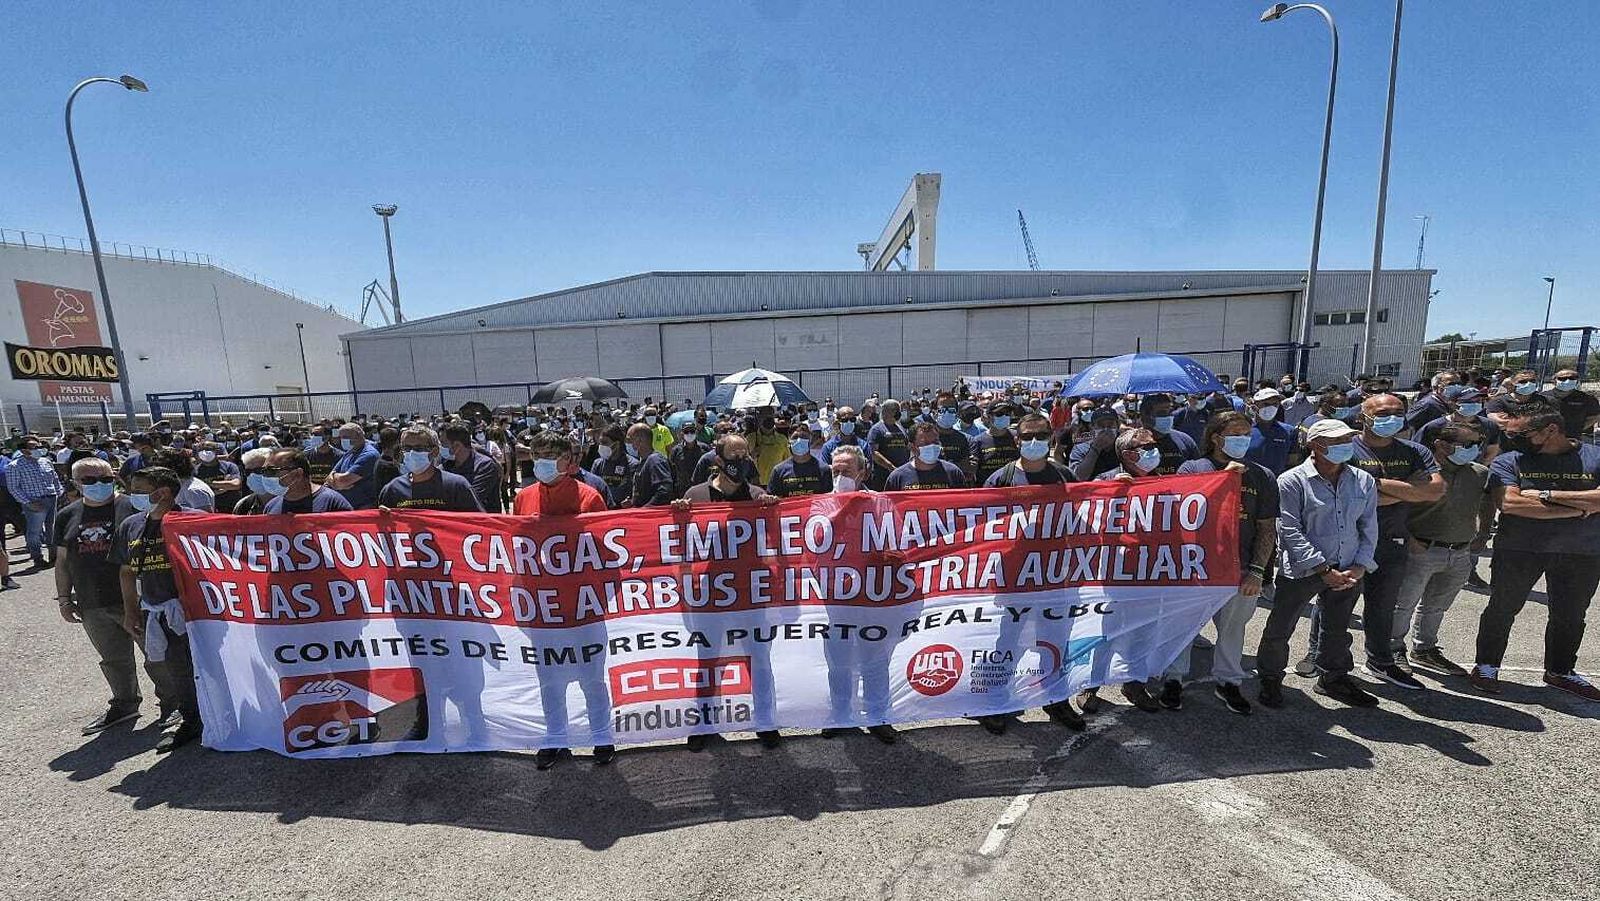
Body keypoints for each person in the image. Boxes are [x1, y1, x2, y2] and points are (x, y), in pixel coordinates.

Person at [1470, 410, 1600, 700]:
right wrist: (1582, 508)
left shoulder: (1595, 457)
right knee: (1502, 608)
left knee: (1570, 614)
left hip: (1582, 552)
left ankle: (1561, 671)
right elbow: (1512, 504)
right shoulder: (1509, 460)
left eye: (1520, 435)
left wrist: (1546, 495)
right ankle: (1487, 665)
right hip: (1519, 549)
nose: (1512, 440)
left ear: (1551, 430)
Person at [1320, 393, 1444, 690]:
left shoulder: (1415, 451)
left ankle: (1380, 661)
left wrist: (1371, 485)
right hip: (1347, 541)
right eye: (1383, 412)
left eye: (1398, 412)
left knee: (1383, 605)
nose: (1392, 418)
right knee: (1336, 605)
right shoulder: (1346, 450)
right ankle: (1325, 662)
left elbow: (1435, 491)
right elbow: (1343, 493)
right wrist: (1407, 490)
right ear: (1363, 417)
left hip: (1392, 539)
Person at [1256, 418, 1380, 709]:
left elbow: (1369, 525)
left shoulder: (1363, 480)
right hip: (1304, 571)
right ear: (1315, 444)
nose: (1344, 446)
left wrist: (1361, 565)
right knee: (1280, 627)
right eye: (1336, 442)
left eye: (1346, 440)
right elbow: (1288, 530)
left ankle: (1333, 678)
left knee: (1336, 628)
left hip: (1349, 569)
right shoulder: (1291, 481)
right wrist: (1323, 569)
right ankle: (1270, 678)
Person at [674, 434, 781, 749]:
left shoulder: (758, 495)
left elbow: (776, 543)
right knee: (708, 660)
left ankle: (765, 722)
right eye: (734, 456)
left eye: (745, 455)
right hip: (711, 595)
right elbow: (680, 545)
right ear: (718, 460)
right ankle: (704, 724)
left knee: (758, 659)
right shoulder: (695, 495)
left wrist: (772, 511)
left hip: (751, 595)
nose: (741, 461)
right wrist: (677, 513)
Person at [1169, 411, 1279, 714]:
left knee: (1233, 630)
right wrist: (1223, 480)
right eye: (1235, 434)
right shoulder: (1193, 468)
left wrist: (1257, 570)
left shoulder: (1261, 476)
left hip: (1241, 570)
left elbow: (1266, 527)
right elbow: (1179, 514)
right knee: (1184, 627)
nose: (1243, 440)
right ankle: (1173, 678)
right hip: (1196, 569)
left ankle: (1229, 681)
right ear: (1216, 438)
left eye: (1247, 434)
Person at [54, 457, 163, 734]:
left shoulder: (131, 507)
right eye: (90, 481)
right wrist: (65, 599)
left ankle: (174, 705)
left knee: (157, 654)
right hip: (92, 601)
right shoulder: (67, 515)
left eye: (105, 479)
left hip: (138, 597)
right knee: (113, 659)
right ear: (76, 483)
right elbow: (62, 561)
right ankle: (125, 704)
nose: (99, 485)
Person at [110, 466, 201, 752]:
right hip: (157, 611)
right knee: (178, 669)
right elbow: (126, 571)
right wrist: (131, 611)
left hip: (198, 614)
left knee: (207, 667)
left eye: (137, 490)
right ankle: (191, 720)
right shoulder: (131, 525)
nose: (130, 495)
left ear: (161, 493)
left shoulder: (195, 522)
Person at [1389, 422, 1490, 677]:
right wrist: (1409, 538)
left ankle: (1424, 649)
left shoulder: (1478, 473)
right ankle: (1392, 648)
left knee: (1436, 606)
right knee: (1403, 605)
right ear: (1441, 445)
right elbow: (1396, 509)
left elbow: (1487, 504)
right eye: (1467, 444)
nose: (1475, 449)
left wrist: (1483, 533)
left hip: (1460, 552)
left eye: (1478, 443)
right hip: (1422, 549)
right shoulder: (1421, 474)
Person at [378, 425, 484, 511]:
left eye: (419, 448)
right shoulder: (393, 490)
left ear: (434, 452)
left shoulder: (457, 486)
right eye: (407, 448)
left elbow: (478, 522)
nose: (412, 453)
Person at [9, 435, 63, 569]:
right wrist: (27, 502)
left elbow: (55, 478)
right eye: (34, 447)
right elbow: (13, 487)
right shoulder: (15, 466)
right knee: (35, 532)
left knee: (52, 529)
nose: (38, 449)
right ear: (23, 450)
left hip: (51, 498)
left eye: (39, 446)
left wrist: (59, 492)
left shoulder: (45, 461)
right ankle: (37, 558)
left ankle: (54, 557)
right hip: (34, 502)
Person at [984, 413, 1074, 486]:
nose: (1034, 441)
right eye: (1027, 437)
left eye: (1041, 436)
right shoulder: (999, 480)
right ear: (1017, 441)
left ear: (1050, 439)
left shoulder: (1065, 475)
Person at [260, 448, 355, 514]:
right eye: (263, 471)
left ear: (297, 474)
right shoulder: (271, 507)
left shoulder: (333, 503)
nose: (265, 476)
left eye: (271, 471)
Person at [440, 422, 503, 513]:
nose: (440, 447)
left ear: (457, 445)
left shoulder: (484, 466)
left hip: (483, 524)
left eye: (443, 443)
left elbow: (469, 500)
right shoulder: (446, 466)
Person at [885, 422, 967, 491]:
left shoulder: (954, 473)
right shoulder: (897, 477)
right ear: (912, 447)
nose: (932, 446)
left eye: (935, 442)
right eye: (925, 443)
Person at [325, 422, 381, 510]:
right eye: (341, 437)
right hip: (347, 507)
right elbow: (329, 477)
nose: (342, 440)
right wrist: (337, 483)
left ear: (359, 435)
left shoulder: (369, 455)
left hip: (363, 508)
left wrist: (338, 482)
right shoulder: (350, 452)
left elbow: (343, 480)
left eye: (346, 437)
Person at [766, 423, 833, 497]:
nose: (799, 440)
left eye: (803, 437)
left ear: (809, 440)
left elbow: (829, 498)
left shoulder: (824, 469)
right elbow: (772, 500)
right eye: (795, 437)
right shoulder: (778, 471)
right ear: (789, 441)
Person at [1139, 394, 1199, 475]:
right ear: (1146, 416)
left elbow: (1199, 472)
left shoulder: (1185, 441)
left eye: (1170, 412)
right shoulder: (1134, 445)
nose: (1168, 416)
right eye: (1162, 413)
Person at [1245, 388, 1296, 475]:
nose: (1271, 408)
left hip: (1277, 482)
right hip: (1248, 482)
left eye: (1275, 404)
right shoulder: (1244, 429)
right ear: (1255, 405)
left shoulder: (1289, 431)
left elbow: (1293, 460)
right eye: (1266, 404)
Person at [865, 399, 911, 491]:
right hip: (883, 476)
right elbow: (873, 453)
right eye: (895, 410)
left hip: (901, 475)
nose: (899, 412)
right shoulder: (876, 430)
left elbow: (907, 447)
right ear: (886, 411)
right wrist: (891, 467)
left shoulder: (900, 428)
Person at [626, 423, 675, 508]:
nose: (627, 444)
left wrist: (645, 509)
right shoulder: (643, 462)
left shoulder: (655, 460)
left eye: (630, 440)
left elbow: (664, 491)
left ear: (640, 440)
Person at [1485, 370, 1556, 427]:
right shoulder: (1498, 402)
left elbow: (1552, 421)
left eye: (1532, 381)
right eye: (1523, 381)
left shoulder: (1546, 400)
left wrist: (1513, 420)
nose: (1528, 384)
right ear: (1513, 384)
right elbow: (1500, 422)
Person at [971, 403, 1021, 485]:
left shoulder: (1017, 437)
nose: (1004, 417)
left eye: (1007, 414)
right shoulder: (978, 441)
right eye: (999, 414)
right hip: (988, 489)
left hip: (1013, 488)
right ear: (989, 417)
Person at [1543, 368, 1600, 440]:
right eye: (1562, 378)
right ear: (1554, 381)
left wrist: (1575, 431)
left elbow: (1595, 417)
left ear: (1577, 381)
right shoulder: (1543, 397)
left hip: (1580, 437)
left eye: (1572, 378)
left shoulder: (1588, 399)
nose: (1567, 381)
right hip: (1548, 436)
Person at [1069, 407, 1123, 481]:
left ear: (1117, 426)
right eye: (1101, 426)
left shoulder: (1124, 446)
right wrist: (1096, 447)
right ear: (1092, 427)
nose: (1106, 430)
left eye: (1110, 425)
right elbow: (1079, 477)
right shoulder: (1080, 449)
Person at [194, 440, 244, 513]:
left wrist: (207, 484)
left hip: (230, 508)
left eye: (208, 449)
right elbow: (197, 492)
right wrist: (225, 485)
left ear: (216, 451)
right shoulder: (195, 471)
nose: (204, 452)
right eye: (201, 449)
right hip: (208, 510)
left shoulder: (229, 466)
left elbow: (235, 485)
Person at [1095, 429, 1163, 482]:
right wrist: (1113, 486)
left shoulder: (1160, 480)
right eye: (1147, 446)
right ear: (1127, 455)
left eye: (1153, 445)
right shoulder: (1103, 479)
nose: (1154, 450)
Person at [669, 420, 708, 497]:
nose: (689, 434)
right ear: (682, 434)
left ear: (696, 432)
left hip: (701, 487)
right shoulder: (676, 451)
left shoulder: (705, 448)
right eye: (686, 432)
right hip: (682, 490)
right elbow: (672, 471)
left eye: (692, 431)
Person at [233, 448, 276, 515]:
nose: (252, 475)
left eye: (258, 471)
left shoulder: (291, 503)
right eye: (248, 472)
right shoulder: (243, 505)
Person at [749, 413, 789, 485]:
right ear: (758, 418)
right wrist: (751, 455)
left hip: (777, 483)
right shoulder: (750, 438)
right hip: (756, 484)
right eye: (765, 414)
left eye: (770, 414)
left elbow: (787, 461)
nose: (768, 417)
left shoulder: (782, 439)